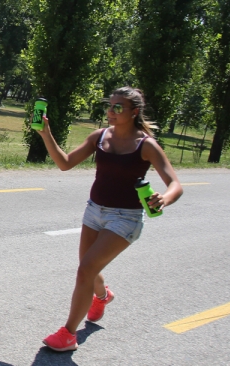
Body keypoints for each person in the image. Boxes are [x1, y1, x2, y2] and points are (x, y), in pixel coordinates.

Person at [37, 86, 183, 351]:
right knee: (88, 267)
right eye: (110, 106)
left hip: (125, 218)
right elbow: (65, 163)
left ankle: (68, 335)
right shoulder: (99, 136)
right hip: (94, 211)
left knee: (85, 270)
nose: (111, 111)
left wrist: (165, 198)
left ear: (134, 112)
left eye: (118, 107)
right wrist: (45, 133)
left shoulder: (146, 145)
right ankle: (102, 297)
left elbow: (175, 184)